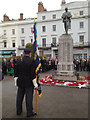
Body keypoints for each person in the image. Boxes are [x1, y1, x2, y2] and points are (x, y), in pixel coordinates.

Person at [14, 48, 38, 117]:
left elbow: (15, 73)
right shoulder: (31, 61)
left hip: (20, 82)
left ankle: (18, 111)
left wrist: (16, 82)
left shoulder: (19, 61)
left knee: (19, 97)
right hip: (28, 82)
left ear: (24, 53)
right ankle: (29, 112)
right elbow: (32, 74)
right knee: (29, 98)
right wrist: (35, 84)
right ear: (30, 53)